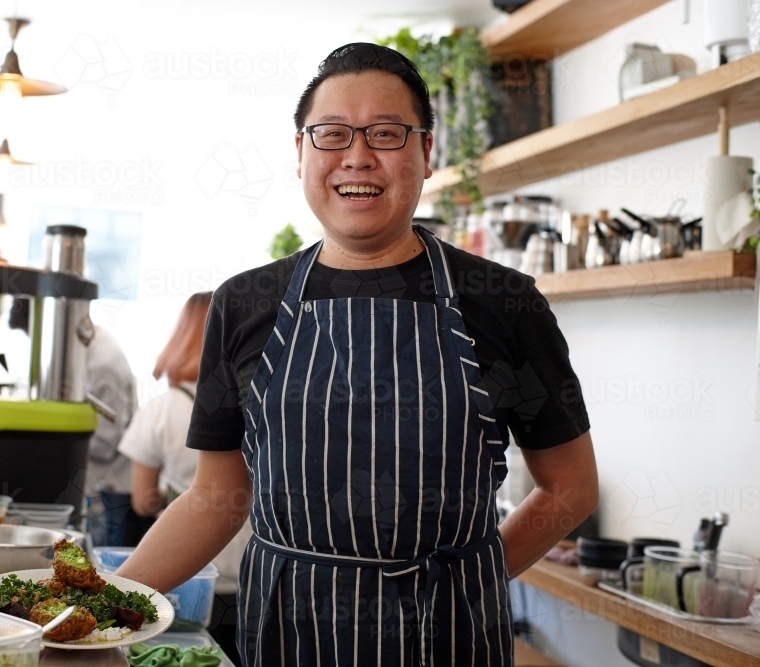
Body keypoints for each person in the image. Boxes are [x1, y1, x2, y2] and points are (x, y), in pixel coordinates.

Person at [117, 43, 598, 666]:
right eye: (333, 133)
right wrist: (101, 600)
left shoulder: (504, 302)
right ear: (300, 154)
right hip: (286, 634)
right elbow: (217, 496)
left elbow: (570, 488)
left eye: (388, 133)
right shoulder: (244, 302)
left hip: (448, 640)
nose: (358, 155)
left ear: (427, 153)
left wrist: (466, 580)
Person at [117, 292, 252, 664]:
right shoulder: (260, 407)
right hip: (252, 575)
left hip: (186, 575)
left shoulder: (161, 409)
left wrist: (172, 497)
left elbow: (142, 500)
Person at [7, 297, 138, 546]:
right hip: (96, 483)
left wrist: (52, 444)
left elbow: (107, 441)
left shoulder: (103, 361)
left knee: (101, 564)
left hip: (109, 489)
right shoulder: (87, 352)